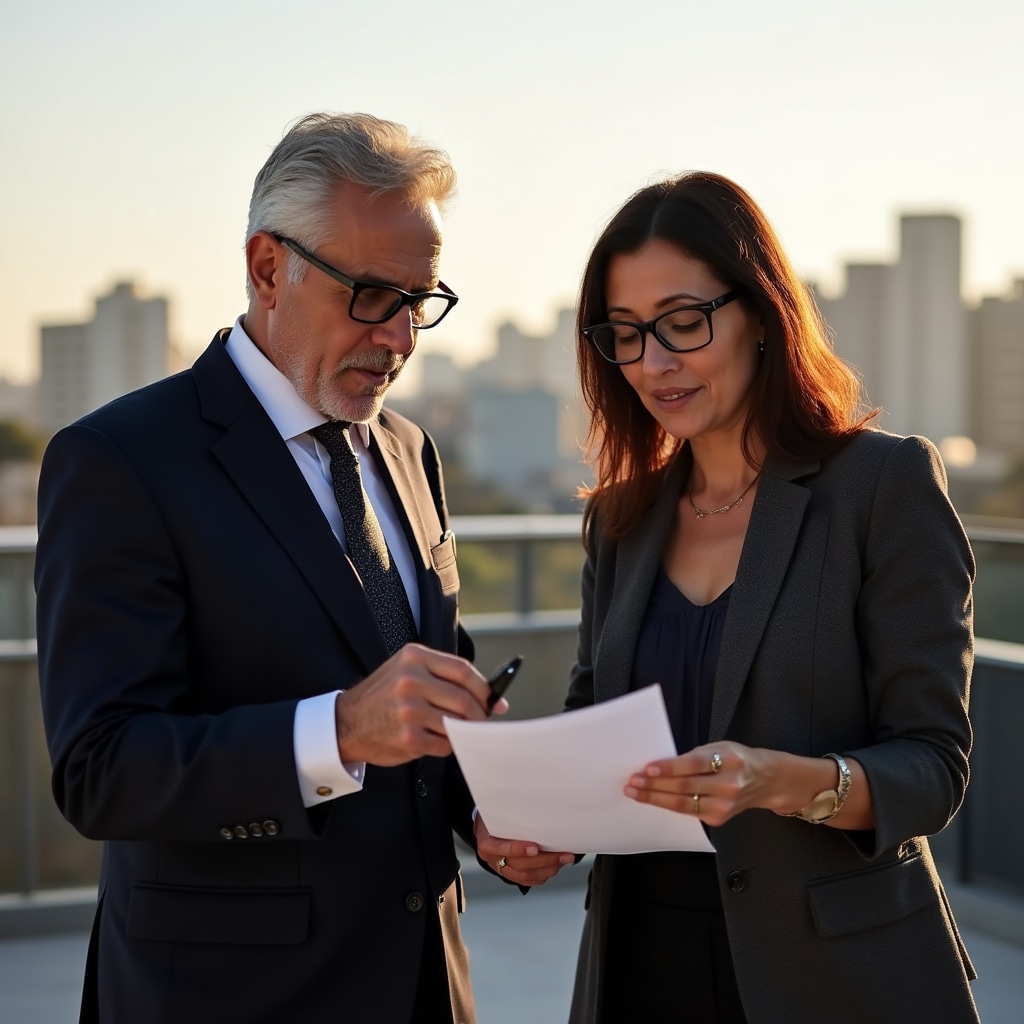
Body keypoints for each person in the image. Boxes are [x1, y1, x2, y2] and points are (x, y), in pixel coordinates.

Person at [34, 112, 567, 1024]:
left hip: (424, 984)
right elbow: (101, 768)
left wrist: (489, 809)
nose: (400, 338)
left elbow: (432, 693)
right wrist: (341, 731)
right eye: (370, 295)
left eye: (420, 301)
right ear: (267, 267)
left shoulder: (409, 450)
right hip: (225, 996)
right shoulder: (122, 460)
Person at [564, 172, 979, 1023]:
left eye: (684, 322)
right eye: (627, 334)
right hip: (639, 961)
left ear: (758, 312)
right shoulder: (620, 521)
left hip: (835, 975)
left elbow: (934, 768)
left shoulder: (882, 485)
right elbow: (590, 730)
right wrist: (533, 829)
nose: (655, 361)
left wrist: (779, 781)